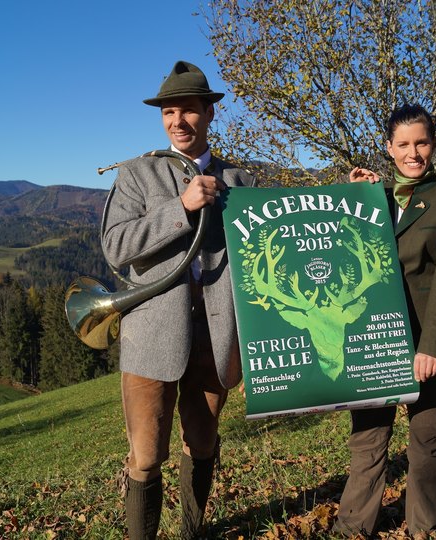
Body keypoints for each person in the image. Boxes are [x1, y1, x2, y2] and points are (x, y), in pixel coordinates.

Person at [101, 61, 256, 540]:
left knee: (204, 442)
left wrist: (358, 197)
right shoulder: (136, 174)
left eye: (189, 110)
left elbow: (279, 243)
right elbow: (117, 247)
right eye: (169, 112)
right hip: (151, 338)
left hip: (218, 333)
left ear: (209, 113)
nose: (178, 122)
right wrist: (180, 208)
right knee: (146, 456)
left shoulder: (243, 181)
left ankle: (192, 531)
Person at [333, 104, 436, 539]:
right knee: (368, 441)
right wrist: (349, 200)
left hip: (425, 345)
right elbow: (334, 258)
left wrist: (433, 344)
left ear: (433, 144)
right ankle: (354, 528)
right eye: (404, 144)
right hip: (372, 344)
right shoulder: (369, 201)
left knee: (427, 438)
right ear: (389, 148)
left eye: (422, 142)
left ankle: (425, 527)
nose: (414, 153)